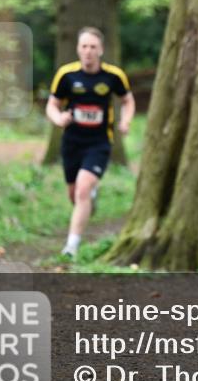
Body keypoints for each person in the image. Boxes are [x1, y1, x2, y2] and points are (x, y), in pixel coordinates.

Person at [46, 27, 134, 258]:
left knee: (83, 189)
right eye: (84, 46)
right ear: (78, 49)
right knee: (74, 194)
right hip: (72, 142)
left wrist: (125, 121)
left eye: (93, 47)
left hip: (99, 142)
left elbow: (127, 100)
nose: (88, 51)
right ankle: (89, 200)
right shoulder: (66, 75)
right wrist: (58, 118)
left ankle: (71, 246)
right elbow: (52, 104)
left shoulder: (113, 76)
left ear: (101, 50)